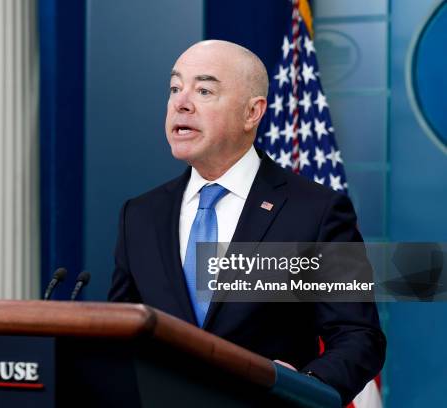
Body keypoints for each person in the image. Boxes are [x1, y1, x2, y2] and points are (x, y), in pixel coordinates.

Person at [108, 40, 385, 404]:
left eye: (204, 90)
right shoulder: (140, 215)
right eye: (175, 88)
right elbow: (119, 334)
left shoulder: (316, 212)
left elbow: (357, 335)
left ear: (252, 113)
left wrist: (304, 387)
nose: (181, 102)